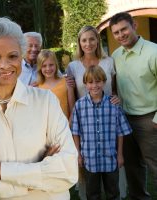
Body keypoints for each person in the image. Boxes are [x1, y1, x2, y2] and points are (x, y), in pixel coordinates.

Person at [0, 17, 78, 200]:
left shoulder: (46, 102)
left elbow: (68, 170)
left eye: (12, 56)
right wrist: (34, 179)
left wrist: (1, 172)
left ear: (22, 56)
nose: (4, 65)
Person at [66, 25, 124, 200]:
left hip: (107, 116)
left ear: (97, 40)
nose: (88, 43)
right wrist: (72, 116)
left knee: (109, 159)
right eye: (84, 40)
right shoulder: (73, 66)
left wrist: (117, 99)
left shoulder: (108, 62)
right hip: (85, 118)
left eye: (92, 39)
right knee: (89, 165)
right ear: (79, 43)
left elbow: (114, 89)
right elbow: (72, 94)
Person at [110, 12, 157, 199]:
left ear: (134, 26)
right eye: (116, 32)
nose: (120, 35)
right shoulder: (115, 56)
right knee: (132, 168)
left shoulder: (153, 52)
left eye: (124, 29)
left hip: (149, 120)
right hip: (125, 120)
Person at [71, 66, 131, 200]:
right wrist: (78, 154)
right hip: (89, 160)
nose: (94, 85)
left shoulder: (113, 104)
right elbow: (76, 132)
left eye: (98, 81)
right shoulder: (79, 106)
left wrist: (120, 155)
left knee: (113, 193)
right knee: (92, 194)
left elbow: (121, 132)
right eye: (90, 82)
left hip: (110, 158)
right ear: (85, 84)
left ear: (104, 82)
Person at [36, 49, 75, 120]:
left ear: (56, 65)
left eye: (51, 65)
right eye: (44, 66)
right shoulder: (37, 87)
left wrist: (69, 126)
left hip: (64, 127)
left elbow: (73, 110)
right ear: (40, 68)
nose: (48, 68)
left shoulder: (66, 83)